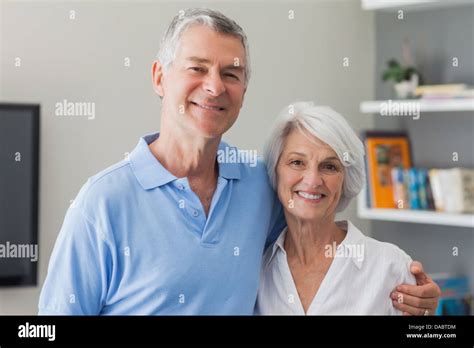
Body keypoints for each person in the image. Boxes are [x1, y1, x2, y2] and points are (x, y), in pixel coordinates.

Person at [39, 8, 440, 315]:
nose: (214, 86)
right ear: (160, 77)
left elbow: (316, 227)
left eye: (232, 74)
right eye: (197, 68)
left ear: (244, 90)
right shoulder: (101, 203)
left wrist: (420, 302)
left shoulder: (260, 185)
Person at [257, 102, 438, 315]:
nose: (313, 180)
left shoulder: (391, 267)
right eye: (297, 162)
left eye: (329, 166)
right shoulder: (257, 269)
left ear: (345, 180)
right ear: (275, 172)